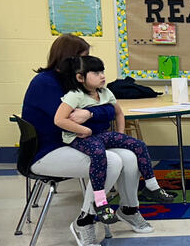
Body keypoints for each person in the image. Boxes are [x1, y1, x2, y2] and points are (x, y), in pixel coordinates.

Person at [21, 34, 153, 246]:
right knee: (111, 161)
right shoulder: (45, 83)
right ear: (68, 58)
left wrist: (91, 113)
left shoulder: (75, 81)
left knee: (130, 156)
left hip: (80, 143)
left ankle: (129, 209)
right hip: (48, 151)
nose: (87, 62)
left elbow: (109, 109)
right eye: (83, 57)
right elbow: (73, 119)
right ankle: (85, 220)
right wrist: (96, 113)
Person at [54, 55, 175, 224]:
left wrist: (120, 134)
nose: (102, 76)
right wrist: (84, 130)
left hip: (101, 135)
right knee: (99, 154)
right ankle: (100, 202)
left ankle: (152, 186)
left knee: (138, 145)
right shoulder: (75, 95)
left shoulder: (105, 93)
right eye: (96, 73)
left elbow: (119, 113)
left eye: (102, 71)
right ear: (80, 77)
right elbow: (59, 120)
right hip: (80, 138)